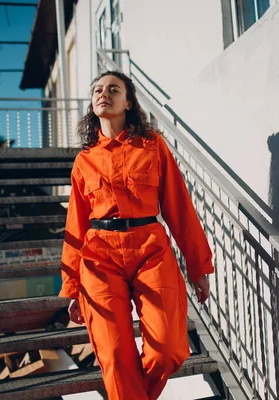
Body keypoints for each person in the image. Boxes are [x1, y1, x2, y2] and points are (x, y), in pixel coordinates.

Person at [59, 70, 214, 400]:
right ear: (91, 103)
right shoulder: (84, 161)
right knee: (114, 357)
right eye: (97, 90)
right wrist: (72, 285)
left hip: (150, 249)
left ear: (128, 102)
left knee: (167, 351)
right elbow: (75, 225)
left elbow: (179, 207)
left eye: (114, 89)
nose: (104, 93)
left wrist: (198, 265)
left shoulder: (152, 145)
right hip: (99, 258)